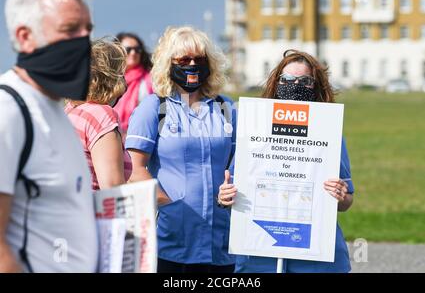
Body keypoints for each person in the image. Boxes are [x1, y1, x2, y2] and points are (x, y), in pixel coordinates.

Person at [218, 49, 355, 273]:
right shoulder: (253, 128)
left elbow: (347, 201)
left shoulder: (329, 133)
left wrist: (340, 195)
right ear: (276, 82)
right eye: (288, 79)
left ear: (317, 86)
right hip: (259, 259)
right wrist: (224, 196)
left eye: (305, 81)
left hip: (317, 261)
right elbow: (230, 194)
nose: (295, 85)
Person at [0, 0, 98, 272]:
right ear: (25, 36)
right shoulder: (9, 110)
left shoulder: (54, 105)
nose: (84, 42)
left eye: (87, 30)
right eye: (70, 30)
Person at [125, 26, 237, 273]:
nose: (192, 65)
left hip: (221, 241)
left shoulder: (226, 107)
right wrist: (169, 204)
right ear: (169, 63)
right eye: (184, 59)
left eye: (199, 59)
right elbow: (134, 170)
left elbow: (241, 161)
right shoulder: (155, 107)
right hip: (170, 241)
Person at [65, 38, 132, 190]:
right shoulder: (101, 115)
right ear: (110, 77)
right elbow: (112, 188)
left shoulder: (70, 110)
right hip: (93, 211)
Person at [114, 32, 153, 134]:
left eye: (137, 49)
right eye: (128, 49)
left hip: (143, 135)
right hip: (115, 137)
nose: (133, 53)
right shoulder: (110, 82)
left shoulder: (150, 80)